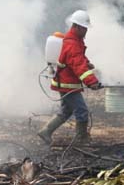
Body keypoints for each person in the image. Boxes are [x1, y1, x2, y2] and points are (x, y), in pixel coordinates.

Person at [37, 10, 101, 145]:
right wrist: (92, 82)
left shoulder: (75, 40)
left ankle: (46, 131)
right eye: (84, 28)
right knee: (82, 111)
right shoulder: (72, 43)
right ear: (76, 27)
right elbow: (78, 66)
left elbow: (78, 59)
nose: (86, 31)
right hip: (68, 85)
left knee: (66, 110)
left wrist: (87, 62)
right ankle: (81, 139)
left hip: (65, 83)